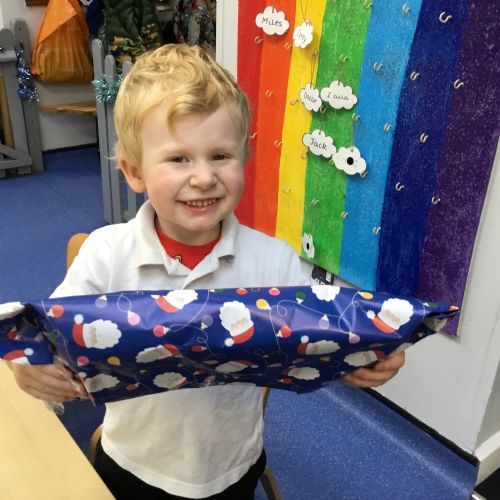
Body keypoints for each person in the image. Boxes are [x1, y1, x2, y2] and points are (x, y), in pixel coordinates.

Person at [9, 44, 404, 499]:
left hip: (232, 465)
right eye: (178, 159)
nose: (203, 177)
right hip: (134, 462)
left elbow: (322, 336)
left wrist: (363, 358)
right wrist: (29, 368)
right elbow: (48, 342)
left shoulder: (275, 261)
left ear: (244, 157)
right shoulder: (105, 254)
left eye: (220, 155)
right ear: (134, 172)